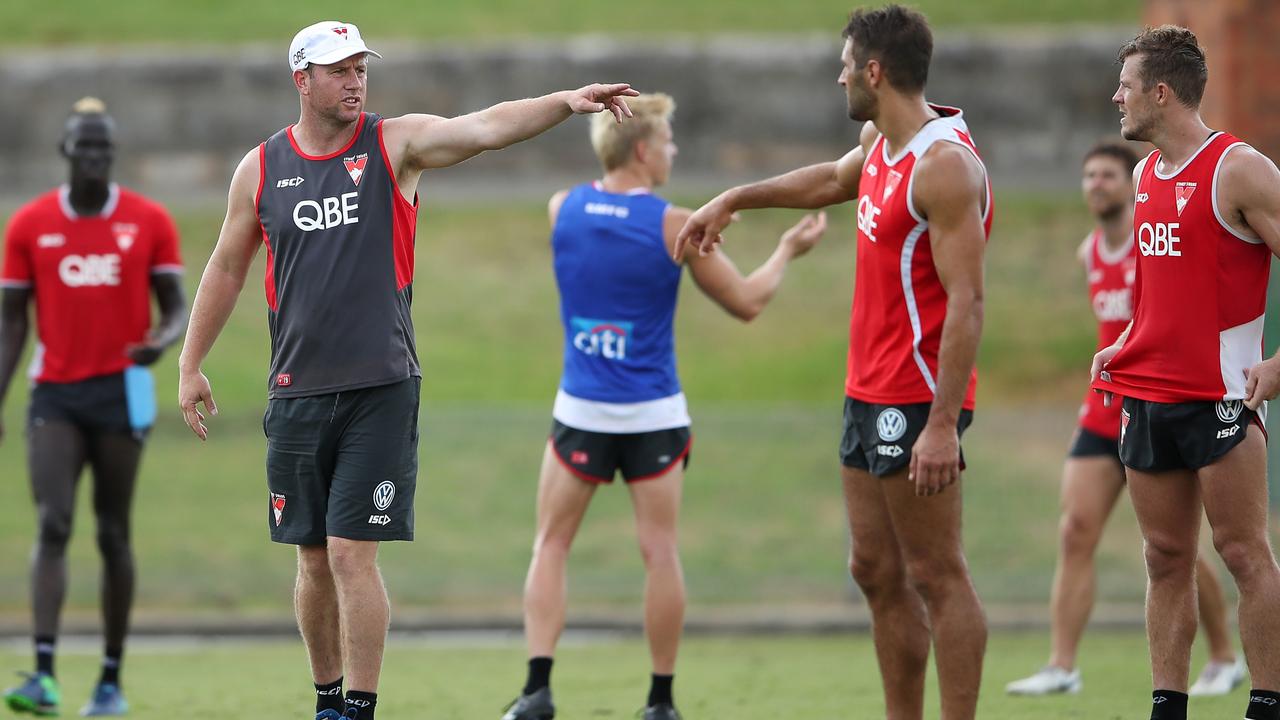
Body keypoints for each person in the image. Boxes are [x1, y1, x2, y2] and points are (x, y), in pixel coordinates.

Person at [175, 20, 638, 720]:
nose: (356, 80)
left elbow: (483, 127)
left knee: (352, 555)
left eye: (361, 67)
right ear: (302, 79)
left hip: (380, 388)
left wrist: (566, 100)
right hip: (297, 391)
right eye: (339, 70)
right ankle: (326, 700)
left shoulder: (395, 145)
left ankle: (359, 707)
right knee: (310, 560)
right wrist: (190, 363)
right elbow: (228, 266)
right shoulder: (261, 169)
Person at [676, 5, 991, 718]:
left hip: (915, 397)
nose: (839, 74)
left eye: (847, 64)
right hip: (866, 389)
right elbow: (829, 180)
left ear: (874, 72)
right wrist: (734, 198)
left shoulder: (944, 167)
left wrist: (942, 424)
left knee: (937, 574)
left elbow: (969, 303)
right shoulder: (881, 140)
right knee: (875, 569)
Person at [500, 93, 826, 720]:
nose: (673, 151)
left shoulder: (560, 208)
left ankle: (537, 692)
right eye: (669, 142)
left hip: (582, 412)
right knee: (660, 552)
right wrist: (787, 250)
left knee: (551, 545)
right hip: (653, 415)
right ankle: (660, 702)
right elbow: (748, 302)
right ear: (644, 150)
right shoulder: (675, 224)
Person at [1007, 141, 1244, 698]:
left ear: (1129, 185)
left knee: (1173, 548)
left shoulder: (1153, 244)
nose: (1096, 185)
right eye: (1088, 176)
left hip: (1155, 405)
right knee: (1074, 530)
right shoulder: (1089, 252)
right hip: (1101, 412)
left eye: (1107, 175)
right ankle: (1062, 665)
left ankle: (1225, 657)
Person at [1091, 25, 1280, 720]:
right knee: (1165, 556)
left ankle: (1265, 702)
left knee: (1242, 552)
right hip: (1147, 396)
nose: (1117, 97)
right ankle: (1167, 706)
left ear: (1161, 93)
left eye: (1128, 86)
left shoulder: (1240, 169)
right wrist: (1127, 342)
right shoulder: (1144, 176)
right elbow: (1161, 289)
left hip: (1220, 400)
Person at [0, 97, 187, 717]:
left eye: (105, 147)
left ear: (114, 154)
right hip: (54, 392)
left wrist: (162, 342)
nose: (95, 157)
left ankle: (110, 681)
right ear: (65, 152)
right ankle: (45, 675)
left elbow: (175, 305)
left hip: (121, 391)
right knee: (53, 523)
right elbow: (10, 327)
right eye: (85, 146)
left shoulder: (148, 221)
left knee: (112, 531)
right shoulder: (29, 225)